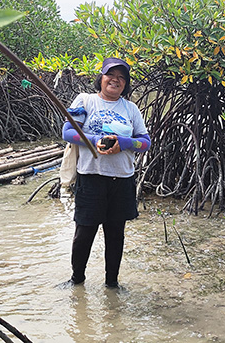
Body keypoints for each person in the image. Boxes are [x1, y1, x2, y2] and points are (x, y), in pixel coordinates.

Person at [61, 57, 151, 288]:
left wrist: (124, 143)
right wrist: (95, 140)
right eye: (111, 75)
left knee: (116, 235)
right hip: (91, 177)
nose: (115, 80)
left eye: (122, 78)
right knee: (84, 232)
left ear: (126, 84)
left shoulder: (130, 108)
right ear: (101, 78)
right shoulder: (86, 100)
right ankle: (77, 280)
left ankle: (112, 284)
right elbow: (68, 132)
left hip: (122, 179)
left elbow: (145, 142)